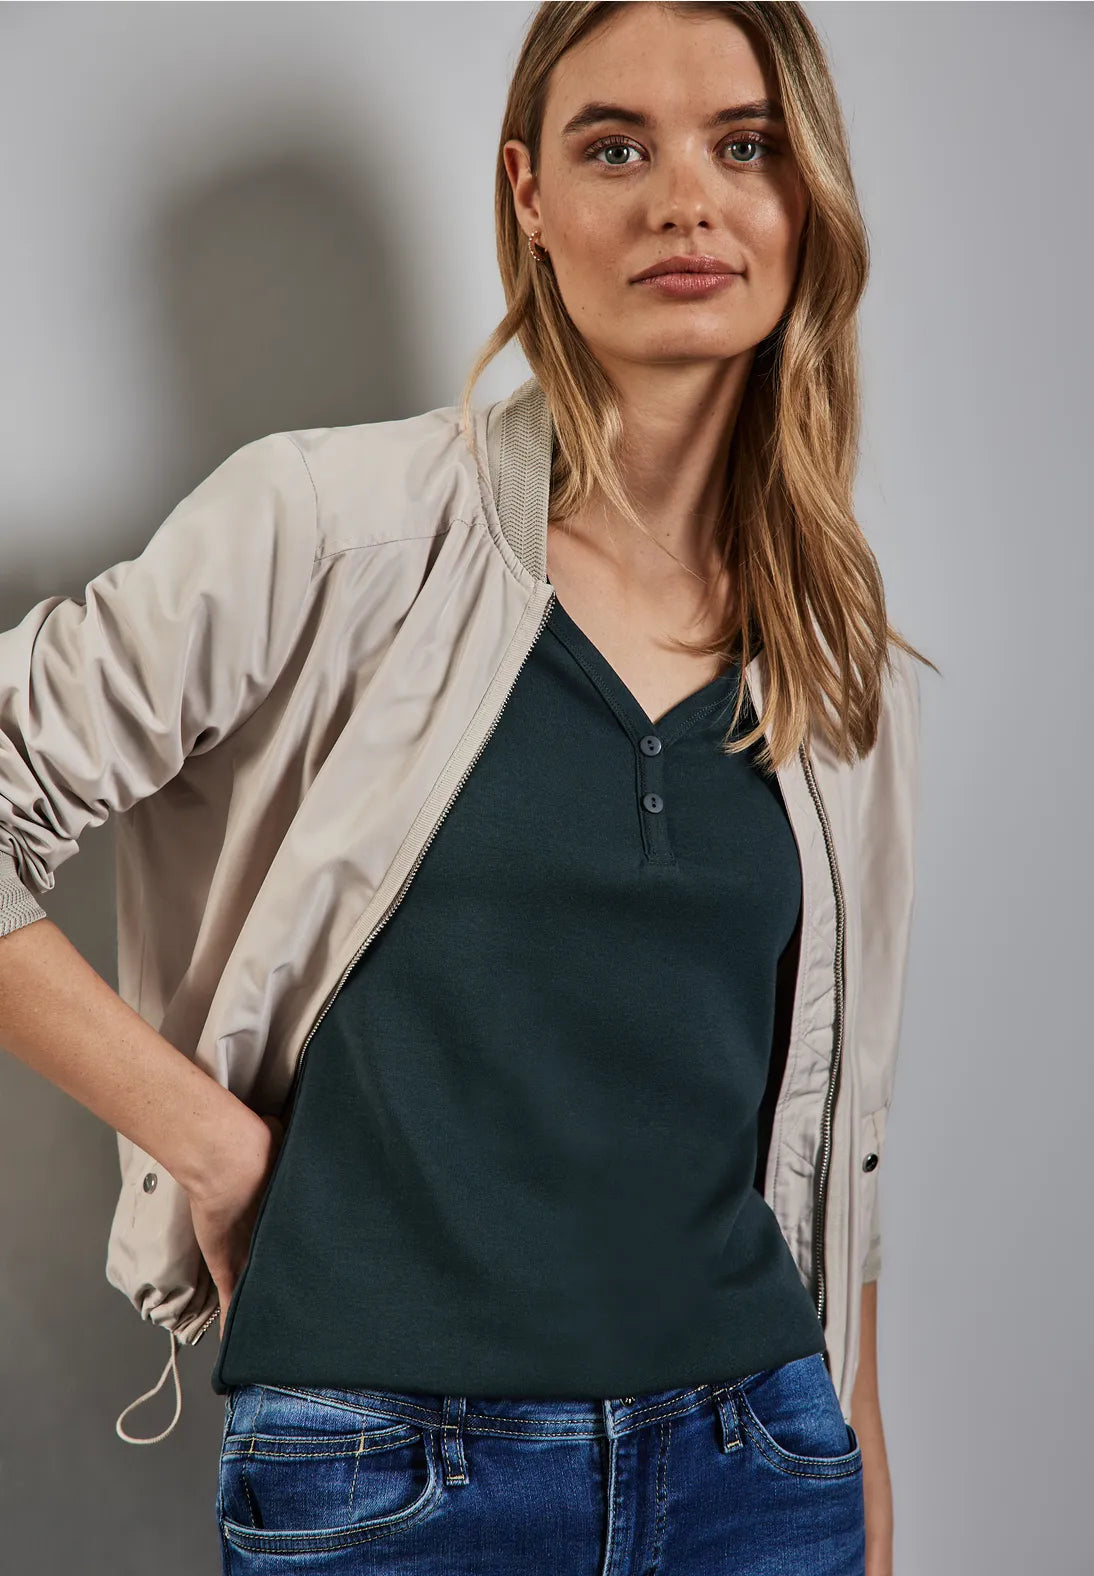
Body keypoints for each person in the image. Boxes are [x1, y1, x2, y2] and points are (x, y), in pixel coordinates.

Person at [0, 3, 929, 1572]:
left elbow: (841, 1132)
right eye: (614, 148)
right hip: (386, 1480)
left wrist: (856, 1484)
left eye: (743, 144)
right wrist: (210, 1143)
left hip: (758, 1467)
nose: (684, 200)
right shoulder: (331, 529)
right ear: (528, 198)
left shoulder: (831, 647)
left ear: (804, 200)